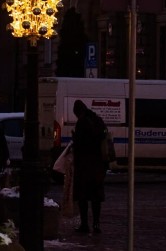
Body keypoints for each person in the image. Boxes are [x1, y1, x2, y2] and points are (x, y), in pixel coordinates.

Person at [72, 99, 107, 234]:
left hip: (85, 165)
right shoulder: (97, 120)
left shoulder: (82, 123)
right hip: (98, 165)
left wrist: (75, 139)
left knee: (83, 196)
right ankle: (97, 224)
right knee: (96, 197)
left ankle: (85, 224)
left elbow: (80, 144)